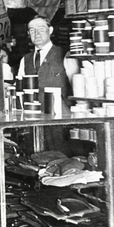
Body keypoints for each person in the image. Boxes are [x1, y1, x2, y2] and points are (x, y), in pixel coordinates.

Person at [17, 16, 81, 154]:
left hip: (60, 122)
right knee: (34, 156)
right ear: (28, 34)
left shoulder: (66, 55)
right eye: (32, 30)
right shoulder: (25, 60)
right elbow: (20, 91)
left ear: (50, 30)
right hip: (33, 121)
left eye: (41, 29)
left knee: (60, 157)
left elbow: (78, 91)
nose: (36, 34)